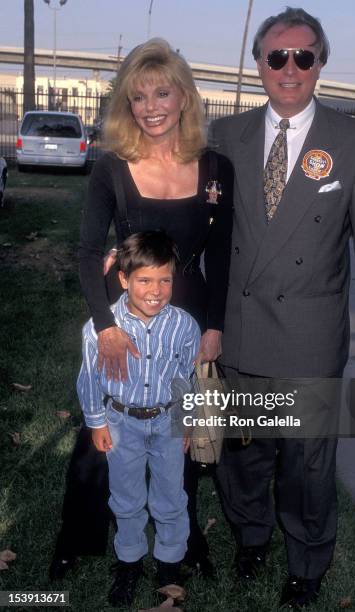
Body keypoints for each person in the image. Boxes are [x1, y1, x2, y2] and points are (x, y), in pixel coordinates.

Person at [210, 7, 355, 608]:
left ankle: (308, 560)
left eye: (303, 57)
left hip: (309, 334)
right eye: (276, 57)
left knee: (307, 463)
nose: (289, 69)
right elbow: (196, 227)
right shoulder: (225, 137)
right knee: (244, 451)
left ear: (320, 63)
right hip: (239, 327)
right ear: (259, 63)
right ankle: (250, 535)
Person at [50, 38, 233, 581]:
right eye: (138, 97)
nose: (151, 105)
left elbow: (222, 254)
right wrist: (105, 327)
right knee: (99, 435)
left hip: (190, 320)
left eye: (162, 92)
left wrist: (215, 327)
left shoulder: (216, 167)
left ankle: (184, 541)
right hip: (124, 321)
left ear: (183, 98)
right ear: (127, 106)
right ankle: (77, 537)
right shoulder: (112, 167)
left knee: (183, 433)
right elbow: (87, 252)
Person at [77, 231, 200, 607]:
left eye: (165, 280)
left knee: (170, 497)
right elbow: (88, 378)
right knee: (126, 497)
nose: (156, 290)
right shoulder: (101, 328)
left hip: (166, 424)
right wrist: (97, 421)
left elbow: (187, 378)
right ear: (123, 279)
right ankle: (129, 563)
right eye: (144, 280)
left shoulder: (183, 325)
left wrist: (187, 421)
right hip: (121, 424)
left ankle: (168, 566)